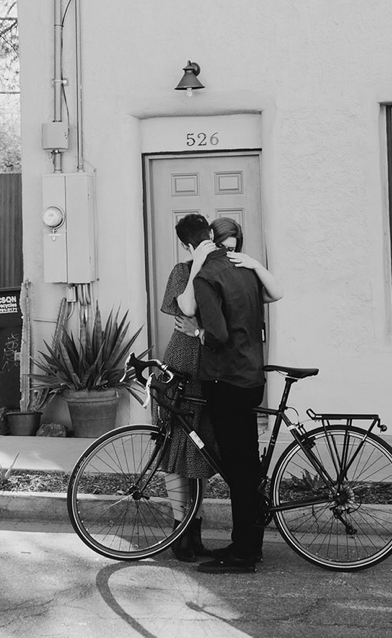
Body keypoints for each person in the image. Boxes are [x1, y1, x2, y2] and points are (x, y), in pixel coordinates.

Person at [174, 213, 281, 574]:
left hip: (225, 381)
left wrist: (198, 334)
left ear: (192, 246)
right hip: (250, 378)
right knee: (246, 467)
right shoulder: (245, 270)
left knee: (239, 470)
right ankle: (245, 544)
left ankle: (243, 556)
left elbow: (214, 332)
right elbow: (271, 296)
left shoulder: (206, 275)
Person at [155, 215, 220, 561]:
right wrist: (196, 266)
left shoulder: (219, 269)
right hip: (181, 363)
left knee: (200, 452)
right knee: (177, 449)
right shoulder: (184, 271)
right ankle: (181, 532)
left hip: (205, 365)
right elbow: (178, 307)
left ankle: (193, 531)